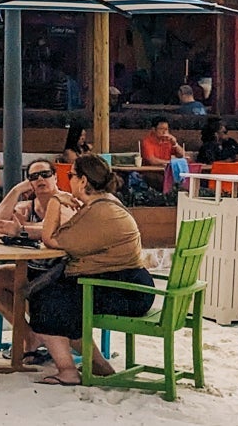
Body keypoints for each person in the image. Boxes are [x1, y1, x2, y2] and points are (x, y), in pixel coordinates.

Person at [30, 154, 152, 384]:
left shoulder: (100, 212)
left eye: (71, 176)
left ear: (84, 181)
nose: (69, 181)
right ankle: (98, 364)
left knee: (44, 298)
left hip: (125, 291)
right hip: (129, 285)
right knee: (53, 292)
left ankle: (68, 371)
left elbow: (51, 239)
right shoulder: (105, 204)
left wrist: (56, 200)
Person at [0, 159, 80, 365]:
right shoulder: (27, 207)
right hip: (33, 270)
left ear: (55, 177)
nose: (40, 180)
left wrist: (21, 230)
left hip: (61, 273)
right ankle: (30, 337)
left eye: (45, 174)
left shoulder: (65, 202)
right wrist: (17, 190)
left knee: (30, 289)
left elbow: (58, 229)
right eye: (34, 177)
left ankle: (44, 339)